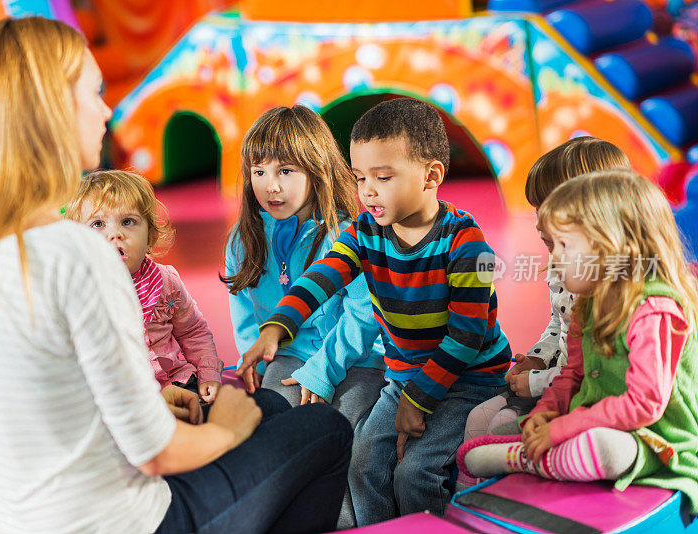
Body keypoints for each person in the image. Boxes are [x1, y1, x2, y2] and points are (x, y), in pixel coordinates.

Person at [0, 17, 352, 534]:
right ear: (51, 110)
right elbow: (154, 454)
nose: (106, 110)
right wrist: (226, 433)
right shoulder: (75, 253)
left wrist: (157, 401)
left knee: (270, 409)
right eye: (93, 93)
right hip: (118, 522)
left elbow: (38, 399)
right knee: (325, 428)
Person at [238, 97, 512, 524]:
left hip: (467, 379)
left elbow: (466, 337)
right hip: (404, 377)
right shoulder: (364, 233)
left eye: (382, 177)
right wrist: (278, 325)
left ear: (431, 175)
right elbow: (322, 277)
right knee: (363, 462)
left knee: (414, 474)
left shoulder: (468, 246)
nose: (367, 191)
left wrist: (417, 402)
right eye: (360, 177)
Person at [459, 170, 698, 515]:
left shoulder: (654, 310)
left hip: (655, 441)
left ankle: (530, 460)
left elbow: (644, 404)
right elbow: (571, 373)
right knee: (508, 432)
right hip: (586, 420)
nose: (553, 258)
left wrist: (562, 428)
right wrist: (544, 414)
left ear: (614, 248)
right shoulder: (588, 303)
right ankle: (536, 455)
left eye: (565, 245)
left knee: (606, 448)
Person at [222, 105, 386, 529]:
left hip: (356, 359)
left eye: (286, 171)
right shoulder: (243, 239)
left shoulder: (345, 234)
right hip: (289, 359)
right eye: (258, 172)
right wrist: (254, 360)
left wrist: (324, 371)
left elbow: (364, 316)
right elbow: (244, 311)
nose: (270, 186)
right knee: (272, 429)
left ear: (317, 170)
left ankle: (357, 524)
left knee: (344, 439)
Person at [458, 137, 630, 489]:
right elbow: (559, 326)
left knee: (498, 426)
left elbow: (599, 373)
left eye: (548, 207)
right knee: (480, 419)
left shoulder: (611, 289)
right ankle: (471, 509)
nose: (538, 221)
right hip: (559, 381)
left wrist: (537, 383)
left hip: (587, 397)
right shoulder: (563, 267)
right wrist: (537, 360)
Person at [66, 170, 223, 401]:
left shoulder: (166, 281)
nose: (115, 234)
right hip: (123, 400)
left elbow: (193, 331)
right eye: (98, 224)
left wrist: (208, 373)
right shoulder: (78, 293)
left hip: (177, 383)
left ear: (150, 236)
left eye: (128, 222)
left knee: (211, 414)